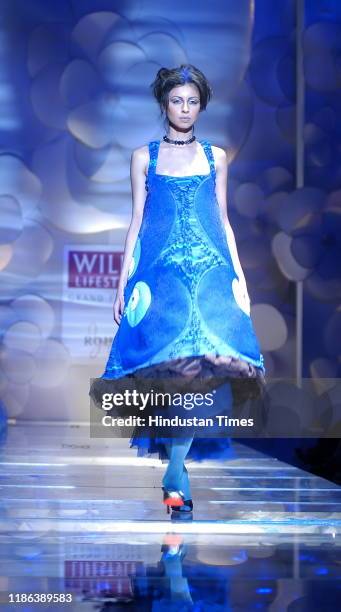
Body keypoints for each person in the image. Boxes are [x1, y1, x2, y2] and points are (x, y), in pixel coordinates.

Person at [90, 64, 266, 518]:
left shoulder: (216, 157)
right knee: (169, 379)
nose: (185, 109)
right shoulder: (143, 157)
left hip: (209, 276)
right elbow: (137, 224)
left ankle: (173, 469)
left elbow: (223, 221)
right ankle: (174, 470)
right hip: (160, 280)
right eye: (176, 101)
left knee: (199, 377)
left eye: (192, 101)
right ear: (164, 104)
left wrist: (241, 279)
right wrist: (122, 284)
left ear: (202, 105)